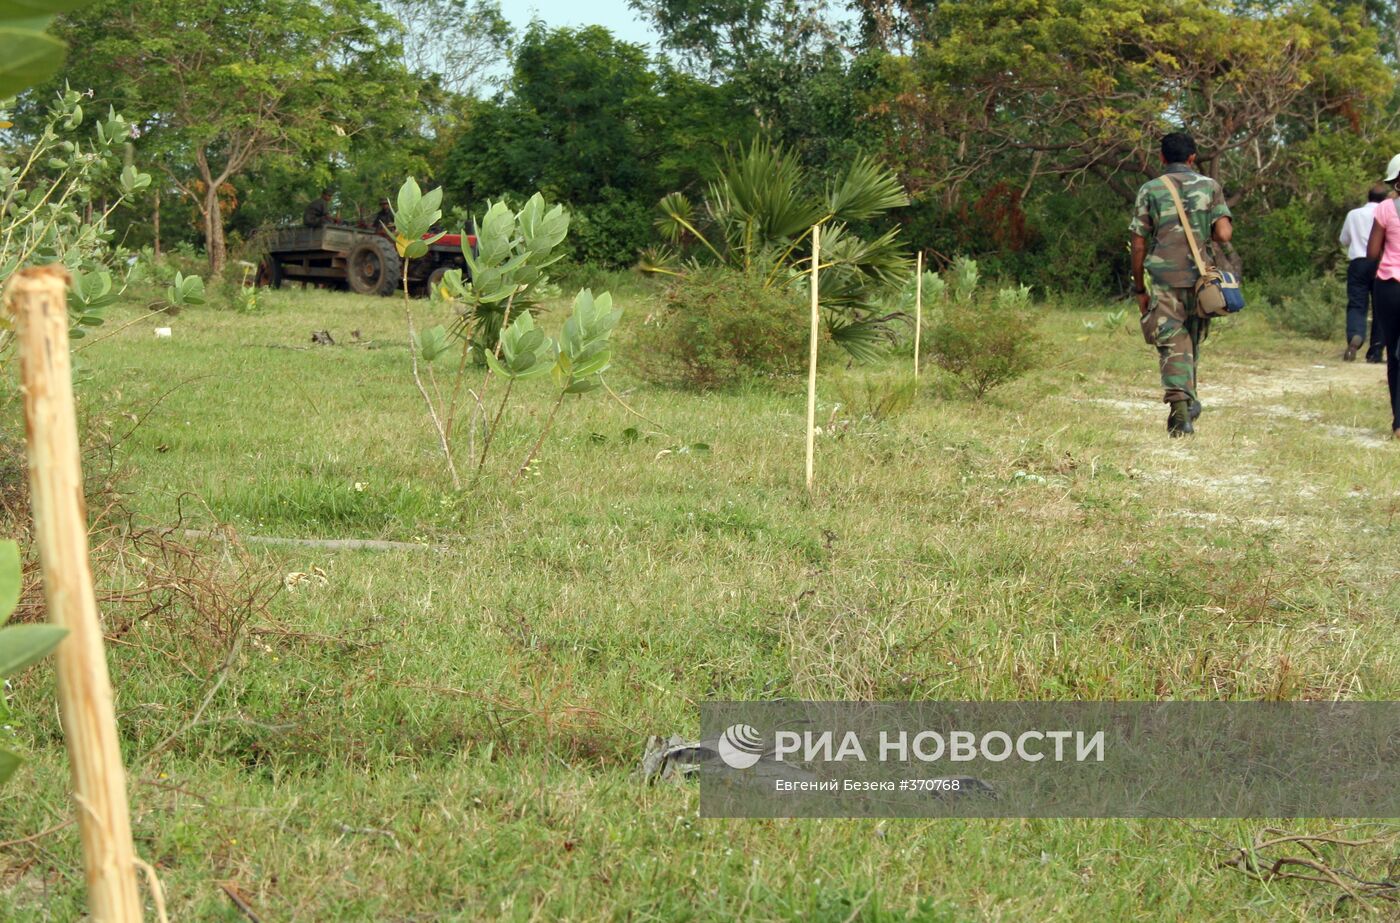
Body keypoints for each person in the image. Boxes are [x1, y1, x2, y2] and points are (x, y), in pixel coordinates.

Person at [1129, 132, 1234, 437]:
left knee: (1172, 344)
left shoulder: (1150, 189)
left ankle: (1180, 411)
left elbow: (1138, 244)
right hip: (1201, 280)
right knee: (1190, 341)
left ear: (1161, 158)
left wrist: (1140, 288)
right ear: (1192, 158)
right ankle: (1188, 401)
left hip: (1164, 279)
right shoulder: (1210, 187)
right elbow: (1224, 234)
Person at [1363, 155, 1400, 440]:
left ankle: (1398, 423)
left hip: (1388, 286)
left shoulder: (1386, 208)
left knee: (1393, 353)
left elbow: (1373, 253)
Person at [1338, 185, 1388, 362]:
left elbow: (1344, 239)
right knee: (1380, 307)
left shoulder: (1353, 214)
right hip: (1381, 262)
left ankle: (1354, 338)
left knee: (1357, 304)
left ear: (1368, 197)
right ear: (1385, 199)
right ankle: (1375, 351)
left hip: (1358, 262)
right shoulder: (1387, 213)